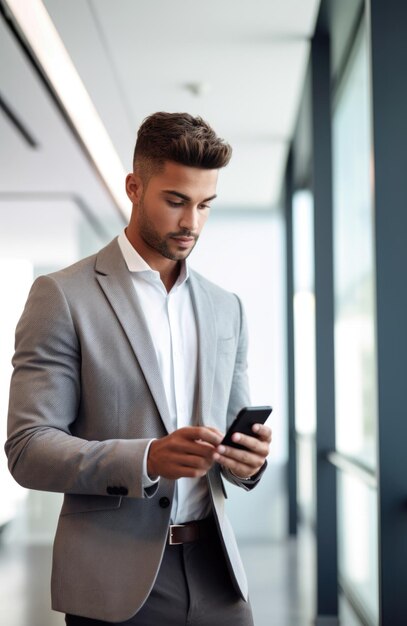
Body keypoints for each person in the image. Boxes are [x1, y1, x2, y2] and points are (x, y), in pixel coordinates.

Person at [5, 112, 272, 625]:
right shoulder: (62, 296)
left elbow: (236, 437)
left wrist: (249, 461)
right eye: (175, 201)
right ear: (134, 186)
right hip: (115, 583)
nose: (191, 222)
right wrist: (148, 457)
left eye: (204, 205)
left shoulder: (226, 307)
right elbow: (28, 447)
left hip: (218, 574)